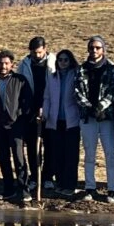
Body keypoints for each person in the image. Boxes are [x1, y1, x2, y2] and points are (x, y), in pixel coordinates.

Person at [74, 36, 114, 202]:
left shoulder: (112, 68)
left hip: (106, 118)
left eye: (98, 47)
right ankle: (89, 187)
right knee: (89, 153)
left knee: (110, 154)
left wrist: (100, 107)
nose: (94, 50)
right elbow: (77, 91)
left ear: (103, 49)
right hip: (88, 118)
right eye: (92, 47)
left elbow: (113, 91)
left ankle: (112, 189)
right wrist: (89, 108)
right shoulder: (81, 69)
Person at [0, 50, 32, 203]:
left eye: (6, 63)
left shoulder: (20, 80)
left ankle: (24, 189)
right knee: (3, 157)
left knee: (19, 158)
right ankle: (9, 188)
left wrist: (23, 117)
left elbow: (27, 101)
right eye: (0, 63)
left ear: (12, 65)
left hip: (16, 125)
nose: (3, 66)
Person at [17, 37, 56, 192]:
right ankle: (34, 176)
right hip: (30, 111)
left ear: (45, 49)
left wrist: (46, 107)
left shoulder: (53, 62)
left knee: (51, 146)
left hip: (50, 108)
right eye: (34, 53)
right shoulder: (24, 64)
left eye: (39, 52)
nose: (37, 55)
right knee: (33, 146)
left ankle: (47, 177)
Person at [42, 49, 81, 195]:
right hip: (55, 120)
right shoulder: (52, 77)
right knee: (57, 154)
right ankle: (60, 183)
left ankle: (70, 185)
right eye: (60, 60)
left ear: (70, 61)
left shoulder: (76, 75)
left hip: (72, 122)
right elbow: (47, 97)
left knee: (71, 155)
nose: (63, 63)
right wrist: (45, 114)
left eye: (66, 60)